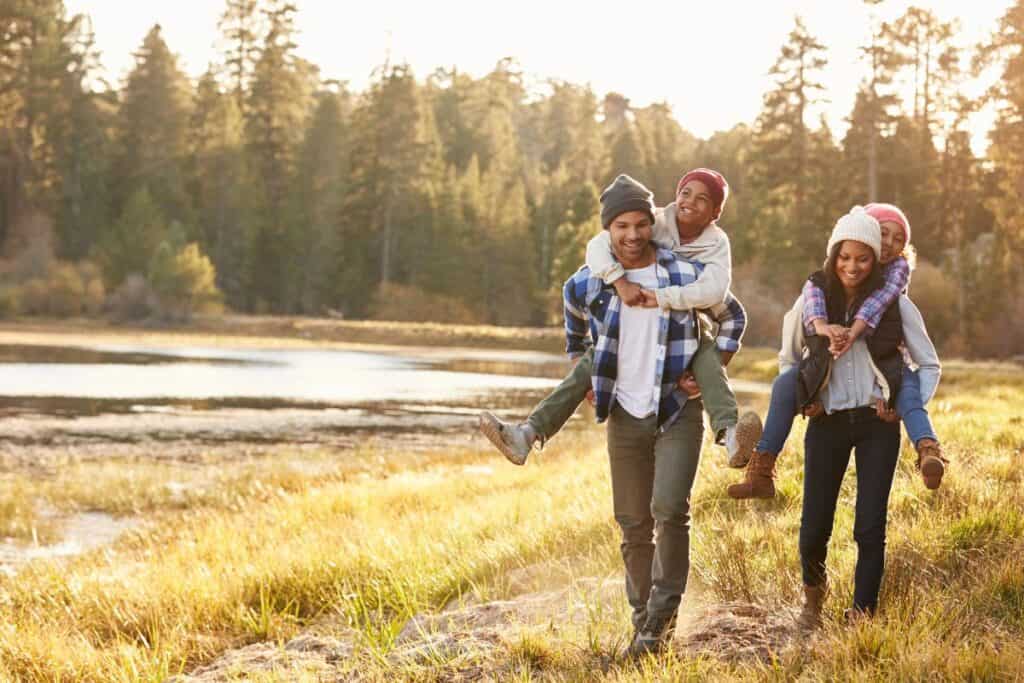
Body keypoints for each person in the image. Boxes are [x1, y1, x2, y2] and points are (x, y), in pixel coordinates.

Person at [556, 175, 747, 656]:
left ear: (651, 225)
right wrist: (582, 362)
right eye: (622, 226)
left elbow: (732, 313)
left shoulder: (682, 272)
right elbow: (571, 306)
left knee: (669, 511)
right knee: (632, 523)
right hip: (623, 410)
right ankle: (643, 625)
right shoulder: (595, 278)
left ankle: (659, 625)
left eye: (641, 224)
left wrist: (711, 367)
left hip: (677, 408)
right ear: (609, 230)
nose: (634, 234)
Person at [479, 168, 761, 470]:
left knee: (707, 358)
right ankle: (526, 435)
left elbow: (720, 294)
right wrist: (619, 281)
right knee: (593, 360)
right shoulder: (653, 222)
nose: (689, 201)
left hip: (689, 328)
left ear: (716, 212)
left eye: (702, 199)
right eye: (685, 193)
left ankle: (731, 436)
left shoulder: (716, 246)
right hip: (631, 332)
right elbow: (598, 245)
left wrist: (714, 362)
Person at [775, 207, 940, 627]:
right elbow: (787, 359)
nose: (852, 265)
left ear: (874, 260)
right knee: (814, 526)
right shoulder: (812, 301)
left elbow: (929, 364)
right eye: (845, 257)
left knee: (869, 527)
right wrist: (804, 397)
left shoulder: (896, 306)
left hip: (876, 425)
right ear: (834, 255)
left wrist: (902, 402)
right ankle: (813, 600)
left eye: (863, 257)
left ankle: (863, 613)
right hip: (826, 423)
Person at [727, 202, 947, 499]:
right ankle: (761, 467)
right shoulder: (820, 285)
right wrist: (808, 393)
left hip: (886, 373)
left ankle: (928, 449)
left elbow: (882, 310)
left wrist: (855, 336)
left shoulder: (895, 285)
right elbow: (792, 349)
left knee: (907, 386)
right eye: (884, 234)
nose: (890, 245)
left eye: (899, 240)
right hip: (829, 394)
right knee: (784, 384)